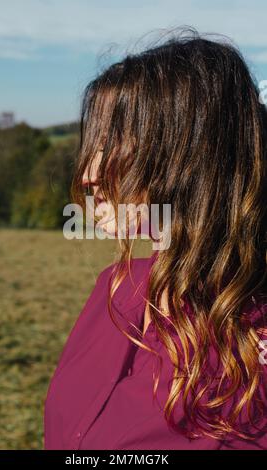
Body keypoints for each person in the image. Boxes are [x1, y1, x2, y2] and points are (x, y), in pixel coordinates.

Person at [44, 27, 267, 450]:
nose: (89, 173)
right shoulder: (116, 287)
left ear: (194, 157)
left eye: (115, 143)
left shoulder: (254, 334)